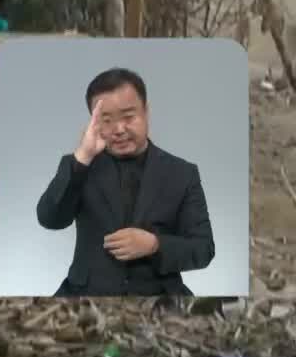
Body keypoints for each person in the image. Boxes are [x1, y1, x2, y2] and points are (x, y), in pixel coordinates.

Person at [35, 67, 214, 296]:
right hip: (86, 294)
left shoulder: (182, 173)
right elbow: (49, 219)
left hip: (159, 296)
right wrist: (83, 157)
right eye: (106, 120)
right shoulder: (79, 165)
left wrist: (154, 245)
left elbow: (203, 248)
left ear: (146, 112)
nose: (119, 130)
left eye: (129, 117)